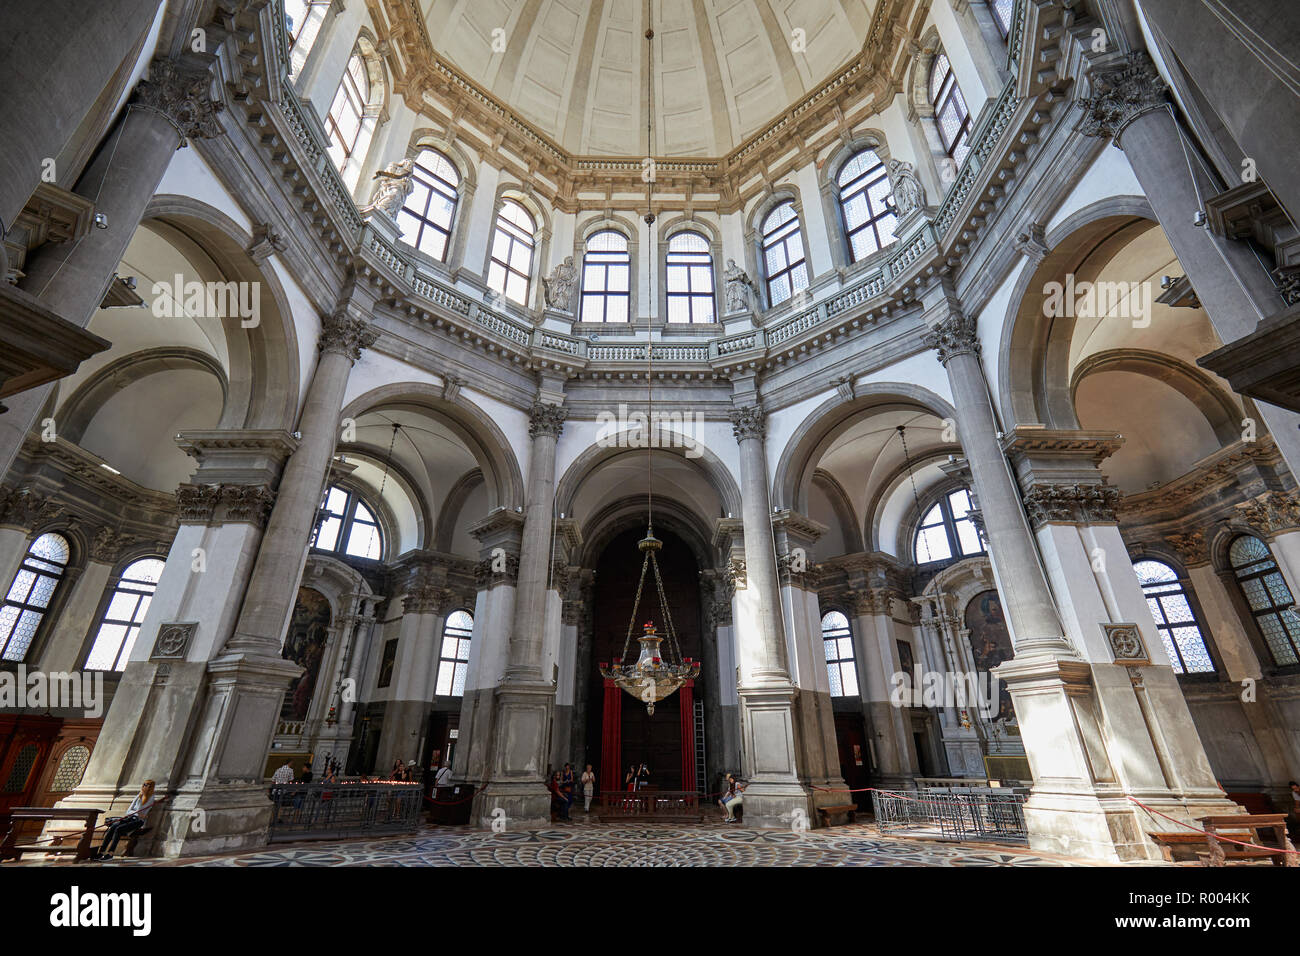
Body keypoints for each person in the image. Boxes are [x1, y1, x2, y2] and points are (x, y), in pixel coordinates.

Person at [94, 780, 167, 861]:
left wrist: (141, 800)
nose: (145, 786)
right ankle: (101, 852)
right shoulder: (138, 796)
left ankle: (110, 853)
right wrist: (138, 807)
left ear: (151, 787)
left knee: (119, 829)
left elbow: (140, 809)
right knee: (113, 827)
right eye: (144, 784)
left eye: (148, 785)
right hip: (130, 818)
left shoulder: (151, 798)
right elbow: (129, 811)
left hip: (138, 821)